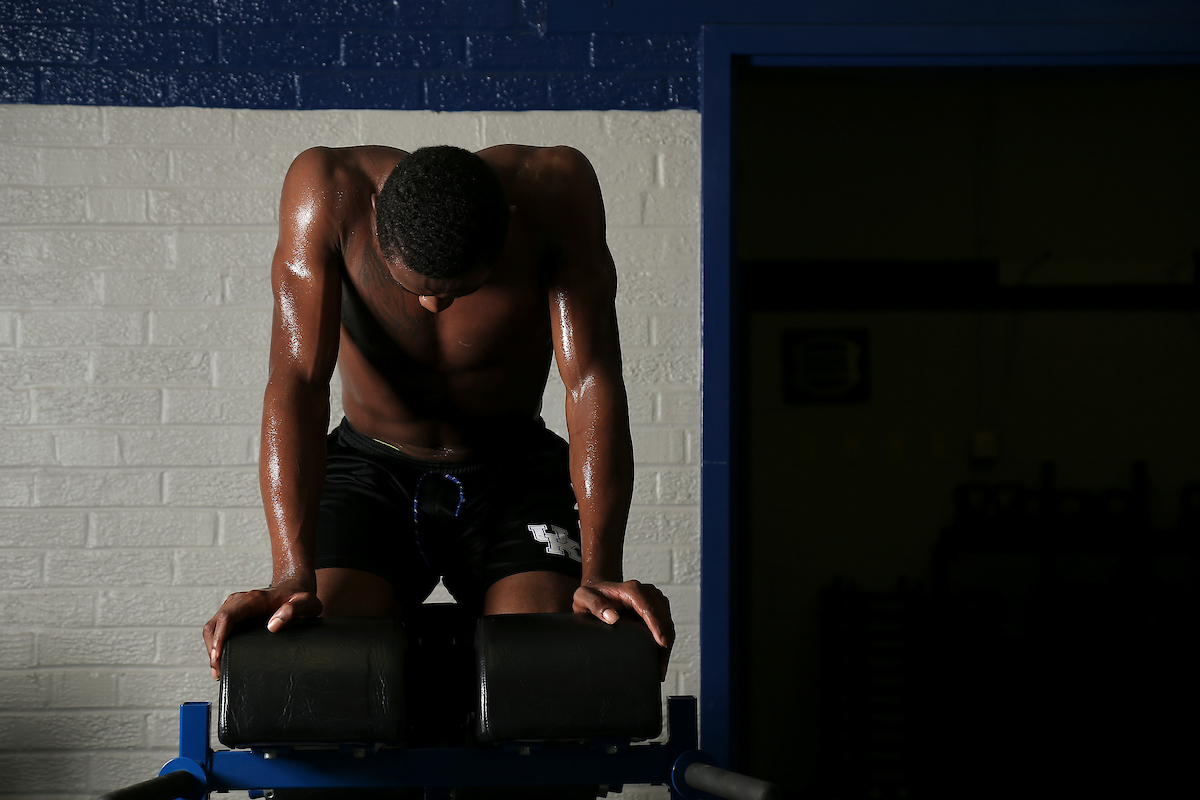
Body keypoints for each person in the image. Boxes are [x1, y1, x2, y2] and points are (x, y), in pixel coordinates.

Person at [202, 144, 674, 680]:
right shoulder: (328, 190)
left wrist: (601, 571)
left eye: (459, 292)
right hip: (371, 470)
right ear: (377, 215)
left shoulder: (554, 192)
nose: (433, 307)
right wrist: (289, 573)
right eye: (414, 288)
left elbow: (591, 382)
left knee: (549, 662)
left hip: (513, 472)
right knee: (324, 659)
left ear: (507, 227)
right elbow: (298, 382)